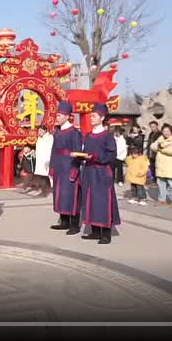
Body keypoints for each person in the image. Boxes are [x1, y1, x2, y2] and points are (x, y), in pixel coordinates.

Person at [76, 102, 120, 245]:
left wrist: (96, 157)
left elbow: (111, 156)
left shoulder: (107, 136)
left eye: (94, 116)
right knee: (90, 201)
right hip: (89, 172)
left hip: (101, 173)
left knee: (103, 202)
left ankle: (106, 234)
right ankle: (94, 231)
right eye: (91, 115)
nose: (91, 118)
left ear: (102, 118)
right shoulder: (88, 136)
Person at [49, 101, 83, 234]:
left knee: (71, 196)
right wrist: (52, 166)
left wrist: (75, 170)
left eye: (60, 115)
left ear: (67, 116)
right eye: (57, 114)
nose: (57, 117)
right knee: (60, 195)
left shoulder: (74, 133)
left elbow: (78, 153)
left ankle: (75, 225)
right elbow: (53, 150)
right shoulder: (57, 132)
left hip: (69, 167)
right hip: (59, 167)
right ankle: (64, 222)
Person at [151, 124, 172, 207]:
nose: (166, 133)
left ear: (171, 131)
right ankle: (162, 199)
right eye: (164, 131)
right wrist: (160, 147)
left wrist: (161, 148)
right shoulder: (160, 138)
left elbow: (171, 151)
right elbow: (152, 146)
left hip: (170, 165)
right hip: (160, 165)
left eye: (168, 131)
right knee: (161, 183)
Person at [34, 125, 53, 196]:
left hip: (48, 159)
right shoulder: (39, 138)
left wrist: (50, 159)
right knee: (42, 176)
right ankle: (44, 191)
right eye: (38, 131)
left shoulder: (50, 138)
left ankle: (52, 189)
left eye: (41, 130)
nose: (39, 132)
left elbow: (51, 149)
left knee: (50, 175)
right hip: (40, 160)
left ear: (45, 131)